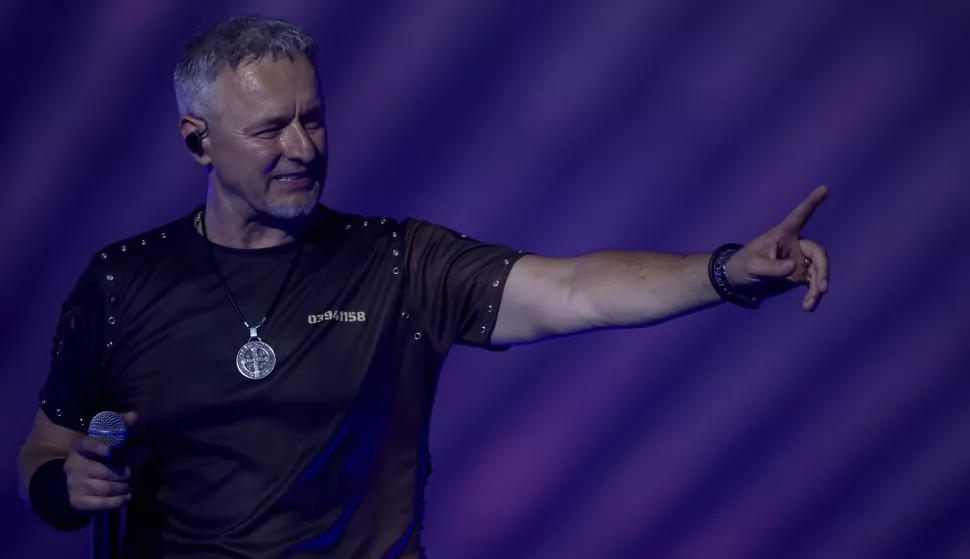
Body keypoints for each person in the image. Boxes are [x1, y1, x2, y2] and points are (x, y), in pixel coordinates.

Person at [17, 15, 830, 559]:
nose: (302, 146)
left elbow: (577, 288)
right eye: (269, 128)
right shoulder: (122, 280)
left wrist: (726, 271)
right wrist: (64, 485)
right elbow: (43, 452)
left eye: (313, 117)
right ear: (198, 141)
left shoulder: (400, 261)